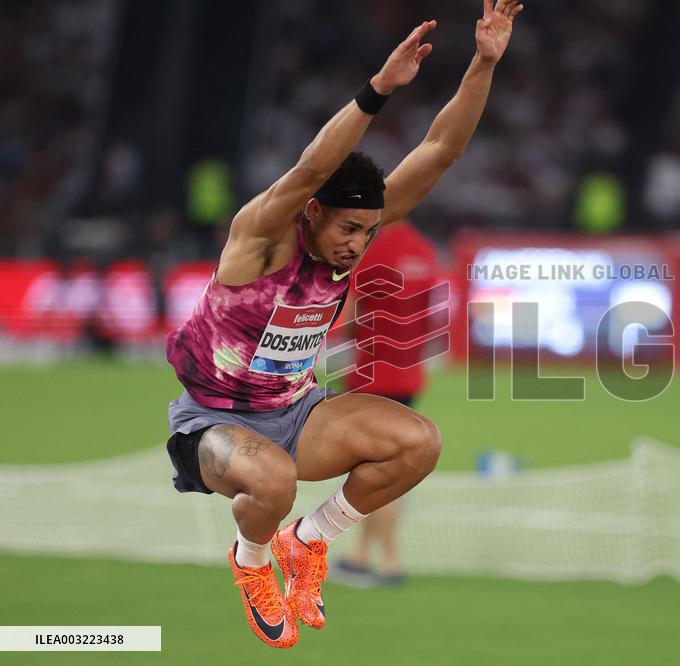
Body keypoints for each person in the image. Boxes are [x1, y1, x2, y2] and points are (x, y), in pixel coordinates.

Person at [163, 1, 523, 649]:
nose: (360, 244)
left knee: (418, 441)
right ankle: (251, 565)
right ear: (311, 215)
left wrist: (482, 65)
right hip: (212, 423)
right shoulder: (261, 240)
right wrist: (380, 89)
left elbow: (439, 150)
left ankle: (309, 542)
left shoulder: (354, 236)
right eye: (349, 228)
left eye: (368, 230)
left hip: (296, 412)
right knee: (269, 478)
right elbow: (306, 171)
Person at [332, 218, 443, 587]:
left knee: (373, 473)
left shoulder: (371, 251)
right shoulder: (425, 251)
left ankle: (391, 561)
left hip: (371, 375)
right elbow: (431, 320)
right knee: (385, 469)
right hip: (409, 376)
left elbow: (348, 320)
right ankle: (359, 556)